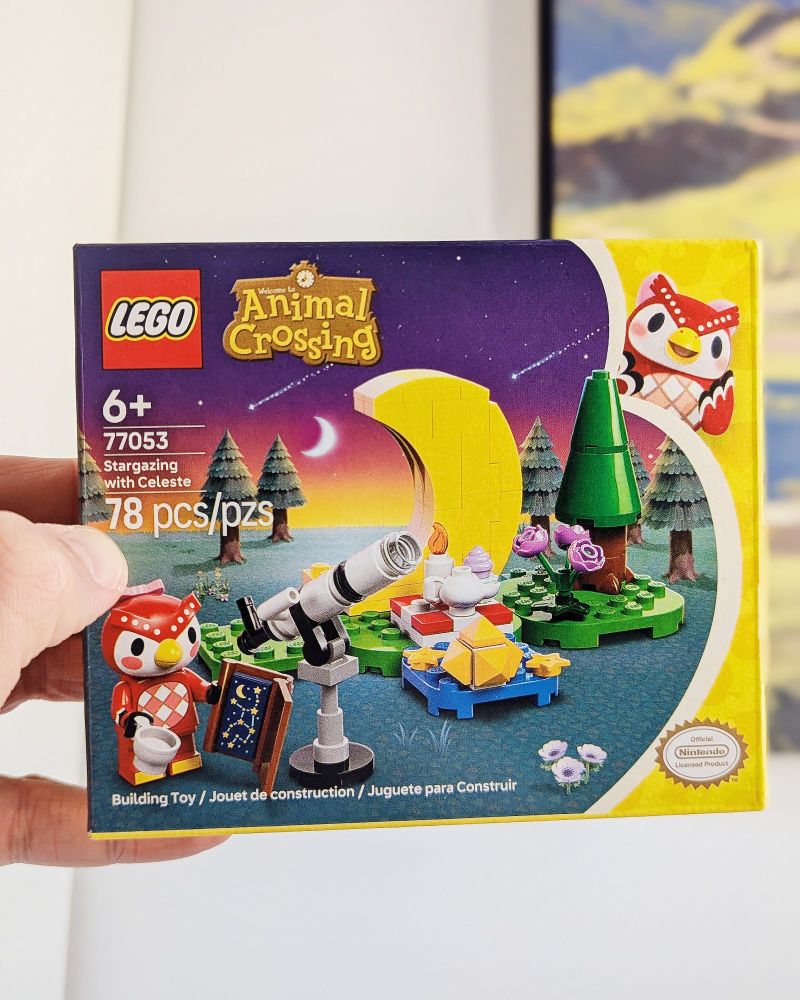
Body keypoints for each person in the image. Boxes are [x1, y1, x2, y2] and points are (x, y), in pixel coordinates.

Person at [0, 456, 227, 865]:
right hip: (146, 735)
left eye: (181, 639)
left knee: (183, 748)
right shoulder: (128, 685)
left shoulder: (182, 676)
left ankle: (183, 760)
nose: (170, 654)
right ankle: (143, 769)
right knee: (141, 758)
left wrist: (210, 691)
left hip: (181, 724)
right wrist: (132, 720)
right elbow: (121, 706)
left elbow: (197, 686)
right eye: (143, 647)